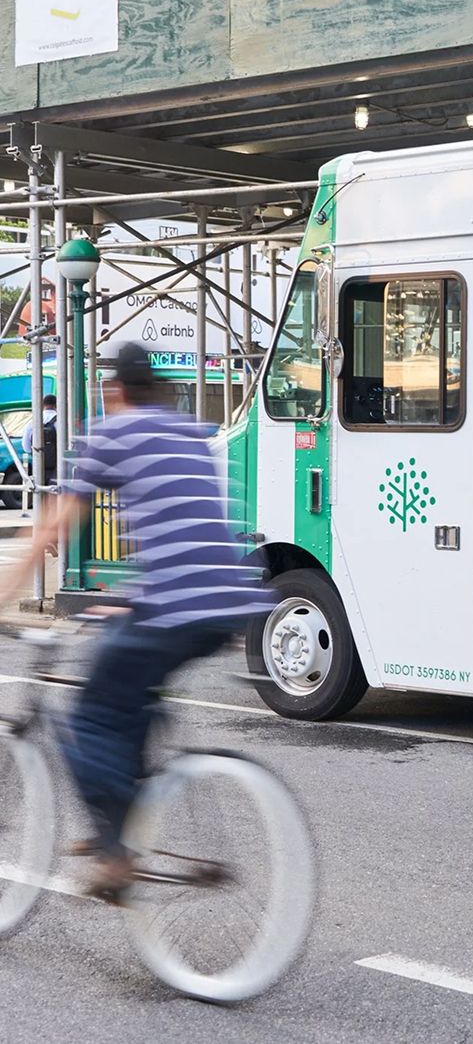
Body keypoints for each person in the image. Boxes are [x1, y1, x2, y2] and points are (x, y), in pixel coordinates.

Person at [4, 343, 273, 898]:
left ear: (115, 390)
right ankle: (123, 816)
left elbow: (51, 527)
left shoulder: (114, 432)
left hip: (175, 604)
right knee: (129, 687)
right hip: (226, 605)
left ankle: (115, 854)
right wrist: (129, 598)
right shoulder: (189, 433)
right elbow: (186, 530)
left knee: (90, 718)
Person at [22, 391, 58, 486]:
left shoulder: (32, 422)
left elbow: (26, 447)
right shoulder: (61, 421)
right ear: (56, 405)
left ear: (42, 405)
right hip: (57, 466)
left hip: (38, 465)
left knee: (39, 490)